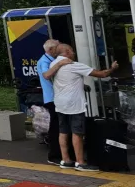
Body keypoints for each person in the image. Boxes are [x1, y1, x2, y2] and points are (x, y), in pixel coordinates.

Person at [44, 44, 118, 172]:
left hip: (60, 104)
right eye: (72, 50)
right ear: (67, 52)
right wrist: (112, 68)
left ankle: (65, 160)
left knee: (63, 132)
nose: (73, 52)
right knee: (77, 133)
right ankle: (80, 162)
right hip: (74, 105)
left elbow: (51, 77)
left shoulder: (54, 64)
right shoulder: (74, 66)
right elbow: (101, 74)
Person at [36, 39, 63, 166]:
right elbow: (46, 75)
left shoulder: (51, 60)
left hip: (58, 97)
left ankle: (61, 153)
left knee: (60, 126)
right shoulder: (44, 61)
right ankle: (54, 155)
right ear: (51, 49)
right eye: (58, 47)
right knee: (55, 127)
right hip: (52, 98)